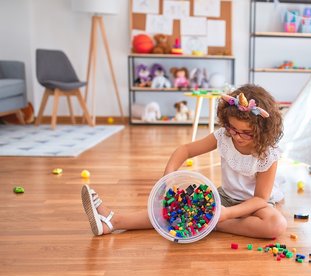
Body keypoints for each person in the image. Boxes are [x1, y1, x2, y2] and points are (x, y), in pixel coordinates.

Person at [81, 84, 288, 239]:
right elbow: (185, 150)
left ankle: (210, 223)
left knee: (276, 225)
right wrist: (168, 176)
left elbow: (260, 199)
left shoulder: (267, 155)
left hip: (253, 205)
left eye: (247, 133)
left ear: (262, 131)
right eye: (233, 129)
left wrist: (227, 214)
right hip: (225, 197)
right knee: (171, 208)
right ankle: (113, 221)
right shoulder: (224, 137)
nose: (238, 136)